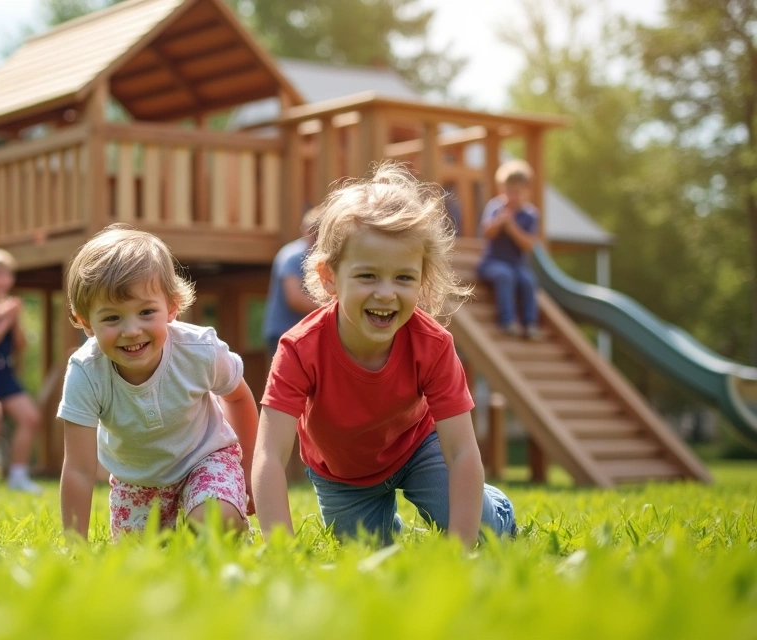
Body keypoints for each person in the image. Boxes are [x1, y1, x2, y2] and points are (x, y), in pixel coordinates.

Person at [253, 163, 516, 548]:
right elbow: (270, 456)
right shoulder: (299, 349)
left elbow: (461, 451)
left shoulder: (434, 344)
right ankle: (395, 529)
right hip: (342, 474)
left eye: (404, 278)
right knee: (368, 551)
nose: (386, 293)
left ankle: (498, 510)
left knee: (483, 532)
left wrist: (464, 551)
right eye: (368, 276)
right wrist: (280, 550)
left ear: (422, 279)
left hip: (418, 447)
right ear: (329, 277)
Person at [58, 225, 259, 541]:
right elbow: (79, 470)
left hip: (204, 460)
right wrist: (74, 547)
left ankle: (223, 526)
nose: (132, 330)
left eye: (146, 312)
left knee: (213, 519)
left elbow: (237, 398)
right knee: (141, 558)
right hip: (136, 481)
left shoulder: (200, 351)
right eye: (112, 318)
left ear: (172, 307)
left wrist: (249, 474)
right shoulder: (86, 372)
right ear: (86, 322)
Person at [0, 248, 42, 494]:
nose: (4, 280)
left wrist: (15, 319)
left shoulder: (9, 305)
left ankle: (18, 474)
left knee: (30, 418)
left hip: (5, 371)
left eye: (7, 274)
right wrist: (6, 318)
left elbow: (20, 344)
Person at [477, 160, 542, 339]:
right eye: (508, 191)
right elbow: (486, 232)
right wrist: (499, 223)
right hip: (492, 262)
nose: (512, 196)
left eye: (517, 192)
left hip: (518, 265)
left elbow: (528, 244)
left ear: (527, 192)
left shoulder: (530, 215)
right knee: (505, 275)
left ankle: (530, 324)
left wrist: (512, 226)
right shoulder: (495, 207)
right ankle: (507, 321)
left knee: (528, 280)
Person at [263, 209, 321, 362]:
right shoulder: (292, 257)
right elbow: (295, 299)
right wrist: (335, 309)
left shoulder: (318, 256)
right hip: (283, 332)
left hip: (305, 334)